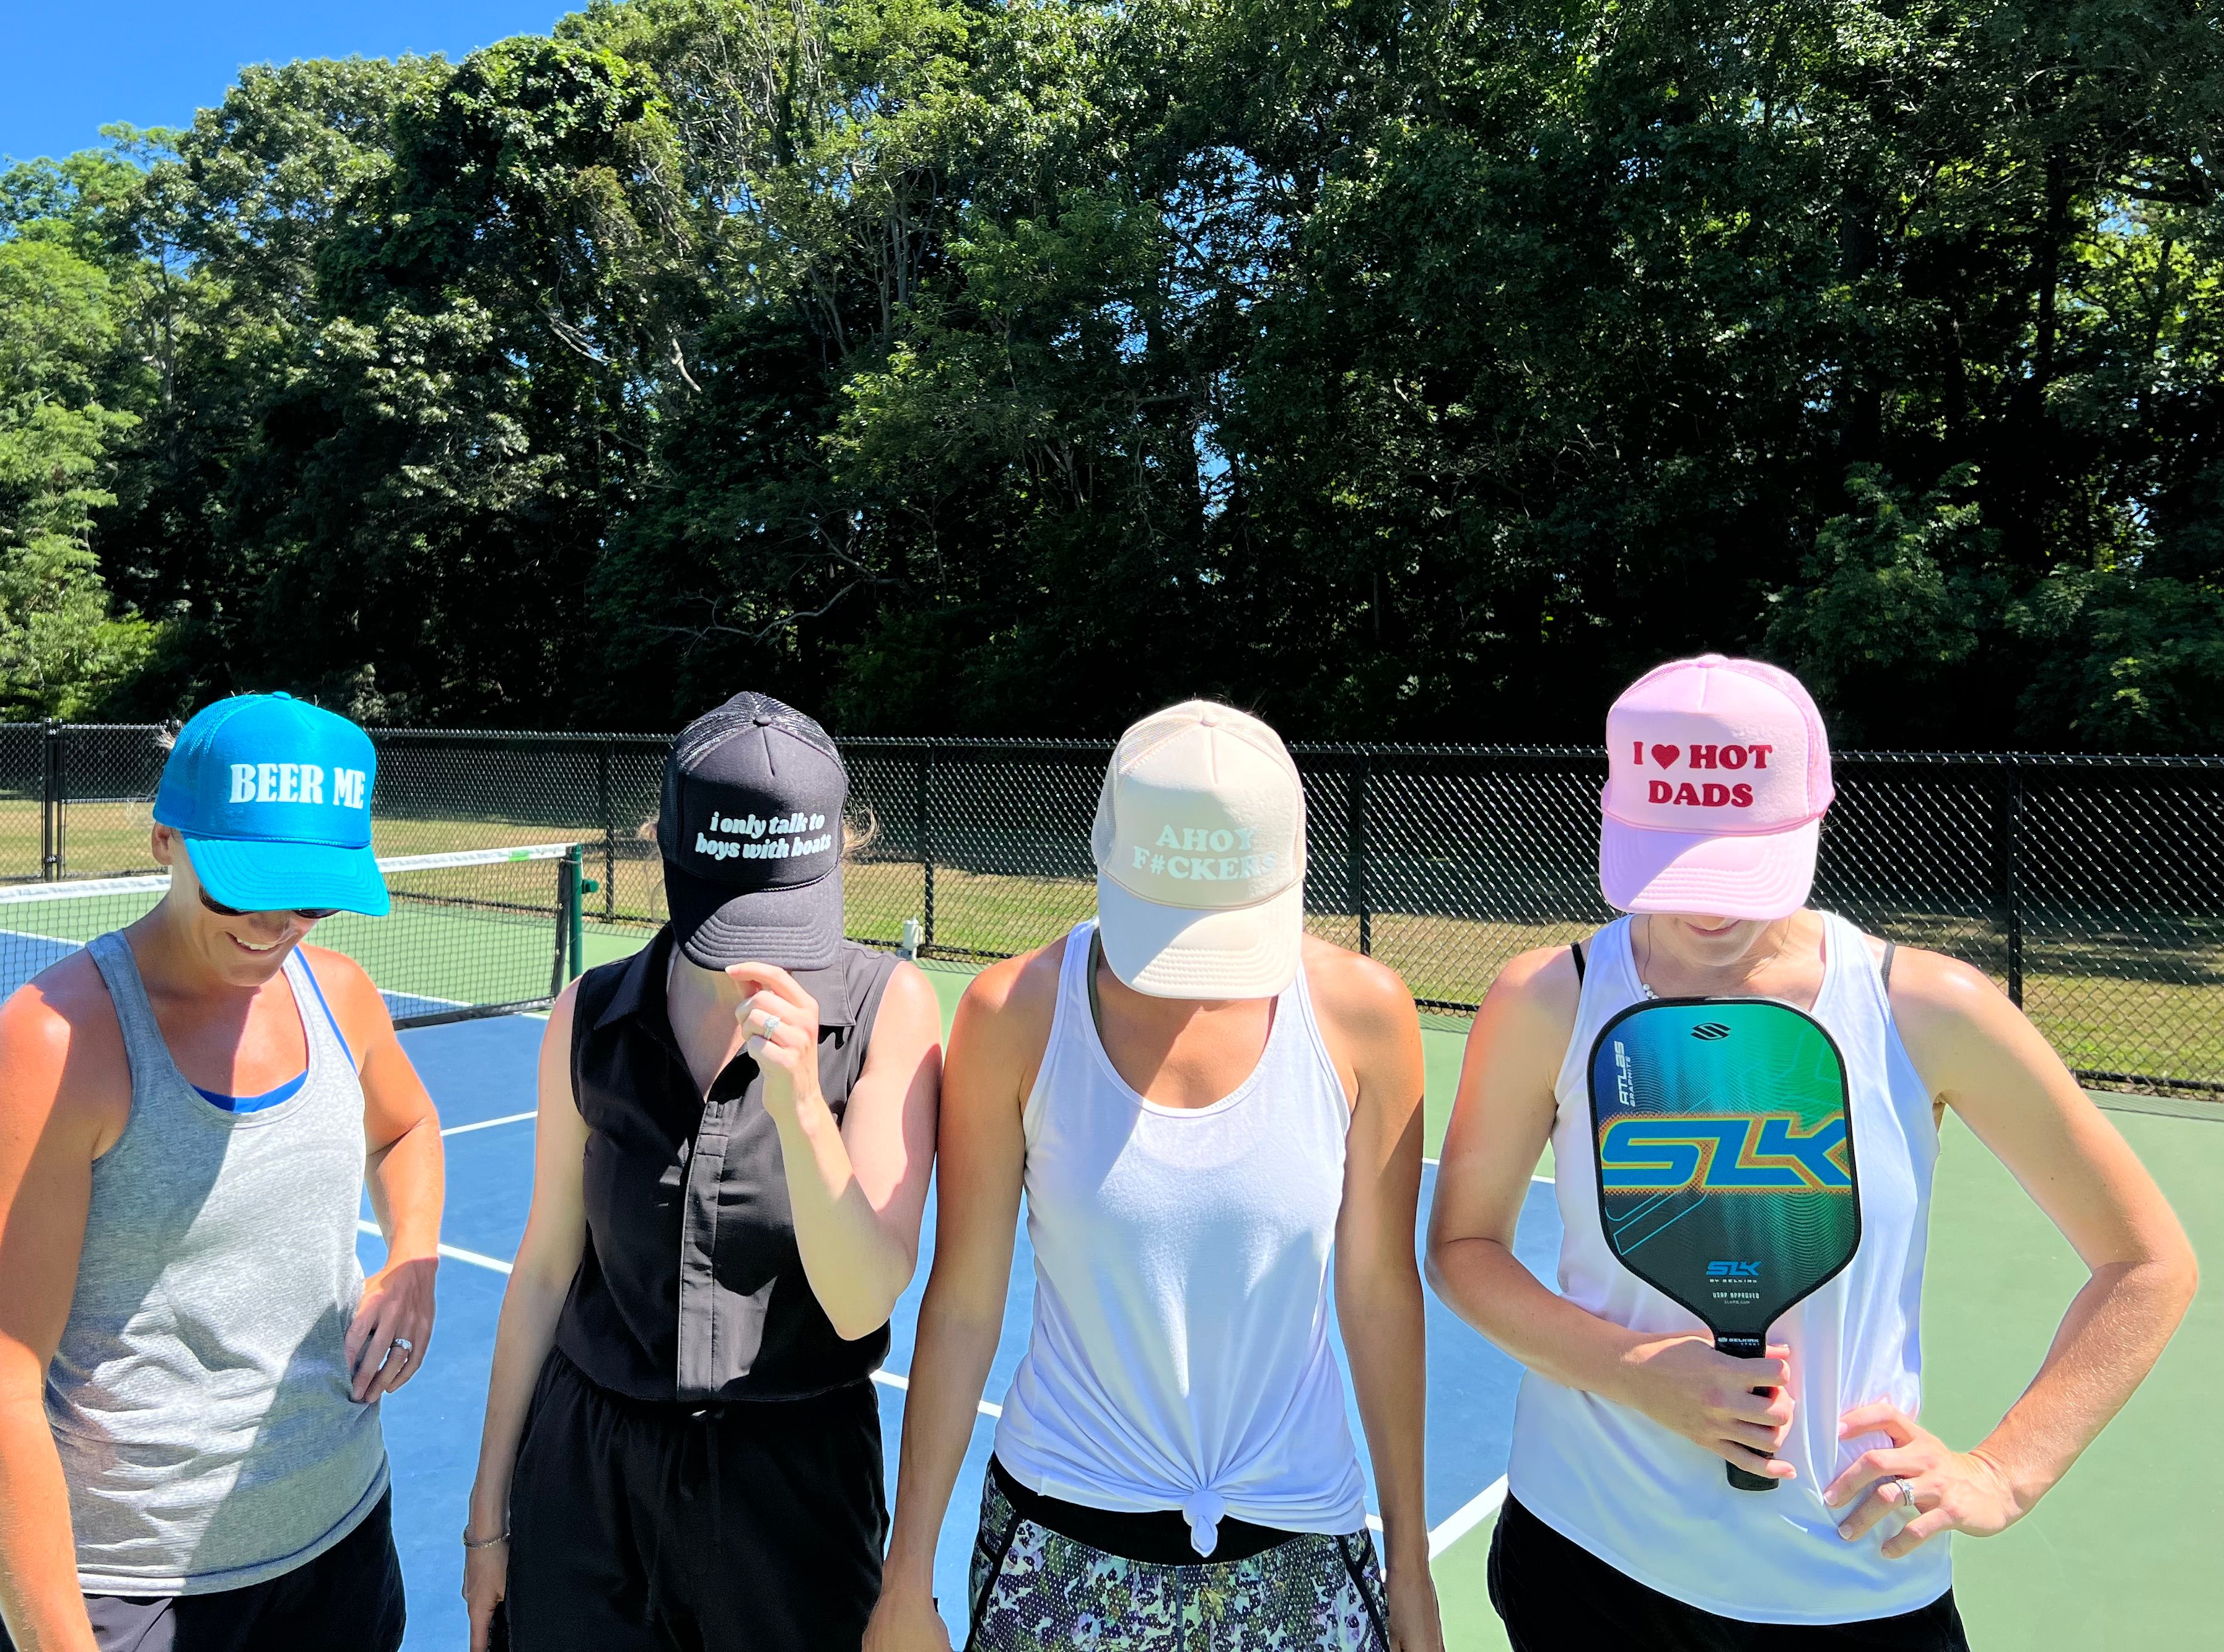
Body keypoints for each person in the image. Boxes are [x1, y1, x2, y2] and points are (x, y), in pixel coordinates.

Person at [1427, 654, 2199, 1651]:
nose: (1705, 910)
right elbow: (1465, 1250)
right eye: (1672, 860)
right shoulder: (1549, 999)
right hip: (1587, 1562)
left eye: (1738, 863)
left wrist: (2005, 1471)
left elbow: (2146, 1264)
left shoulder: (1925, 1009)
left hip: (1854, 1588)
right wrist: (1635, 1371)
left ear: (1814, 817)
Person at [865, 699, 1443, 1652]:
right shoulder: (1012, 1013)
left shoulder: (1364, 1017)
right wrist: (907, 1575)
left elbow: (1381, 1295)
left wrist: (1411, 1575)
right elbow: (965, 1299)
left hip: (1303, 1551)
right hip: (1058, 1547)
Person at [0, 692, 446, 1652]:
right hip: (134, 1592)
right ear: (167, 841)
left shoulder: (341, 996)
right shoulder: (54, 1048)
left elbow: (407, 1126)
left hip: (341, 1546)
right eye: (238, 889)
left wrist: (413, 1258)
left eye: (311, 899)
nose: (273, 926)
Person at [463, 692, 944, 1651]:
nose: (761, 947)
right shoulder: (589, 1016)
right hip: (588, 1485)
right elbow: (547, 1270)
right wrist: (489, 1518)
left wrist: (803, 1099)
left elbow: (862, 1302)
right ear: (668, 855)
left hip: (792, 1494)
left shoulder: (891, 1009)